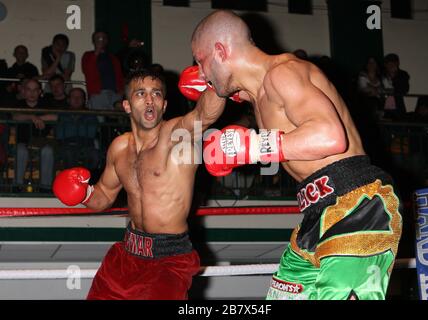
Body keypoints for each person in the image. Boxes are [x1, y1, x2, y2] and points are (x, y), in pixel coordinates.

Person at [192, 10, 403, 300]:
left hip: (358, 205)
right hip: (314, 217)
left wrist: (251, 146)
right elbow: (206, 110)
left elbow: (331, 136)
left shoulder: (284, 73)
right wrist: (209, 84)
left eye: (201, 62)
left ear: (220, 50)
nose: (200, 72)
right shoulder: (255, 94)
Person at [52, 68, 226, 299]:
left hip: (169, 259)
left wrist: (216, 79)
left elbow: (205, 116)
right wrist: (83, 194)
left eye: (156, 94)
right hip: (128, 252)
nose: (149, 100)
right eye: (140, 94)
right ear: (127, 105)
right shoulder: (120, 148)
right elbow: (103, 195)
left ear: (164, 105)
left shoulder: (176, 137)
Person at [13, 78, 57, 192]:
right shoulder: (19, 104)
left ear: (39, 92)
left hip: (41, 142)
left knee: (48, 151)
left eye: (35, 90)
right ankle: (17, 186)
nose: (32, 93)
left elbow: (55, 116)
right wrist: (32, 117)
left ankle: (45, 187)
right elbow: (16, 116)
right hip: (22, 143)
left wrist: (38, 118)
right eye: (28, 89)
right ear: (23, 91)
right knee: (20, 150)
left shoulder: (45, 104)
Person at [55, 88, 99, 171]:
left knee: (95, 156)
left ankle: (87, 182)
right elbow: (60, 133)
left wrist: (71, 126)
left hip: (87, 145)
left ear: (84, 100)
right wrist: (81, 127)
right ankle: (72, 182)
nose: (76, 99)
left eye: (79, 97)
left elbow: (91, 132)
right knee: (68, 154)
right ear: (68, 100)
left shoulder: (90, 114)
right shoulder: (63, 114)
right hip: (67, 145)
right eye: (73, 97)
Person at [82, 31, 124, 110]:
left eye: (104, 38)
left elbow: (119, 75)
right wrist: (97, 51)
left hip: (115, 94)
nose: (101, 40)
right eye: (98, 38)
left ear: (107, 41)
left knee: (115, 120)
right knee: (98, 120)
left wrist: (121, 91)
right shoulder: (88, 55)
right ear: (93, 41)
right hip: (97, 93)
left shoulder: (113, 57)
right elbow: (87, 70)